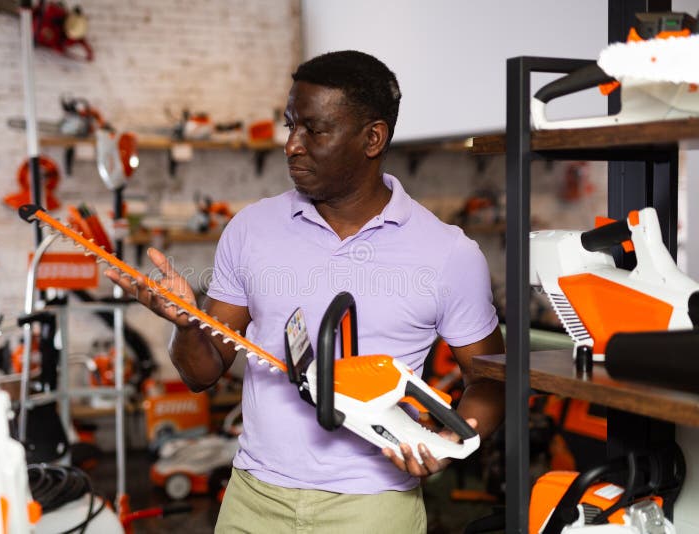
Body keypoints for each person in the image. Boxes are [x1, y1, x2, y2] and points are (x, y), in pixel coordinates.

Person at [107, 50, 505, 533]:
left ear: (372, 138)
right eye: (290, 125)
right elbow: (201, 374)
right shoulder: (251, 229)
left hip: (372, 508)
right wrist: (187, 324)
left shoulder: (447, 253)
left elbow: (490, 379)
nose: (291, 145)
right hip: (253, 498)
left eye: (313, 130)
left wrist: (447, 442)